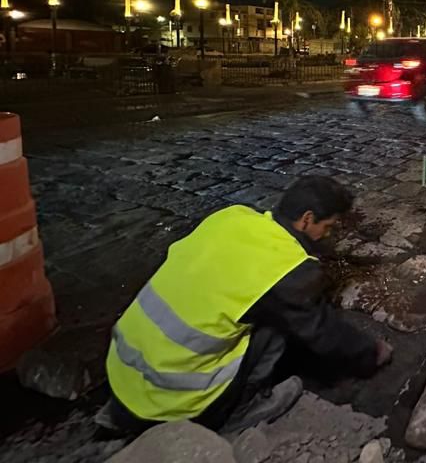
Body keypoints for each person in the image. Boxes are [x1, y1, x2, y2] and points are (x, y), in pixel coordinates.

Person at [101, 176, 392, 436]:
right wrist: (370, 351)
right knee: (278, 321)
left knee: (250, 303)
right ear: (306, 219)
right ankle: (242, 407)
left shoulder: (232, 217)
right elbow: (321, 331)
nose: (328, 235)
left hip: (122, 372)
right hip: (173, 400)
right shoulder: (286, 268)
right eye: (327, 227)